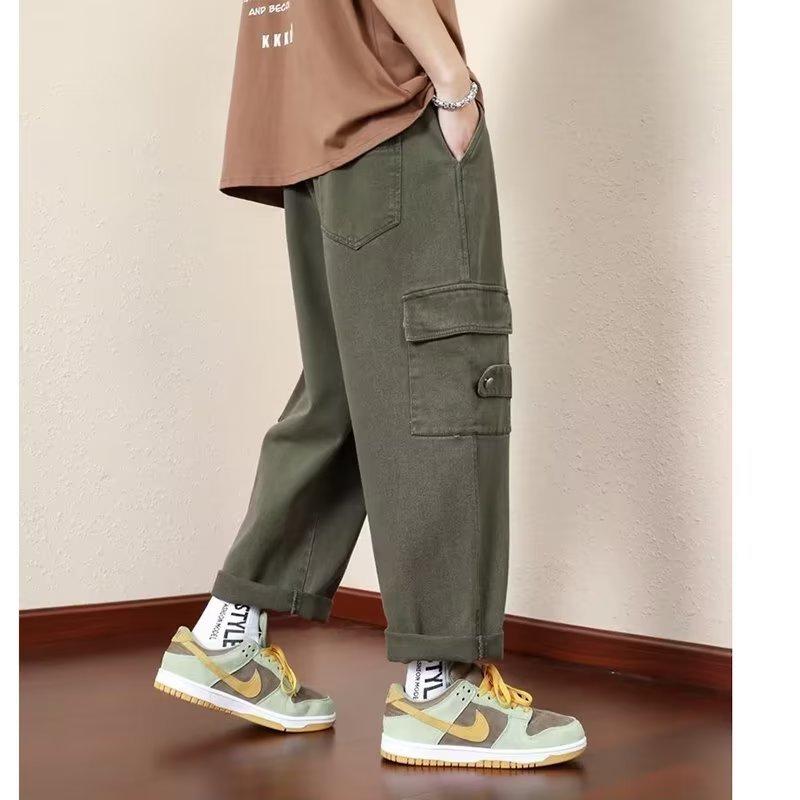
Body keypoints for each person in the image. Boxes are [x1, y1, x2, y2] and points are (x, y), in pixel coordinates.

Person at [153, 0, 586, 769]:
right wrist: (453, 82)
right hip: (389, 116)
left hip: (311, 122)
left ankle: (229, 630)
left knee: (354, 393)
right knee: (442, 381)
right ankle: (442, 690)